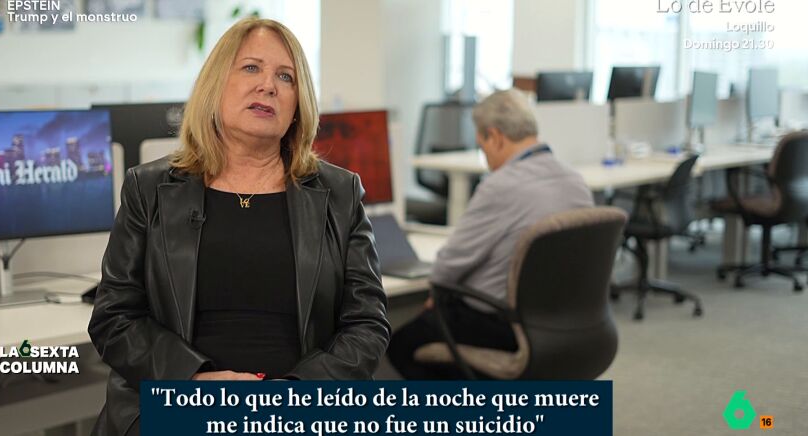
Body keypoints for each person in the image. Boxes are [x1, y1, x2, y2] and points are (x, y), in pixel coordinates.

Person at [88, 18, 390, 435]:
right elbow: (114, 318)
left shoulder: (340, 193)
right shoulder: (150, 189)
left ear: (298, 104)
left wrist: (299, 393)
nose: (268, 86)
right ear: (216, 84)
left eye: (286, 77)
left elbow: (367, 324)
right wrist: (192, 382)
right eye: (251, 68)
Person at [387, 89, 594, 379]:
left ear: (495, 137)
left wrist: (437, 292)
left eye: (482, 146)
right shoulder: (576, 182)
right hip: (567, 323)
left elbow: (452, 262)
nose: (485, 158)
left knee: (399, 344)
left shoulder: (501, 185)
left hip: (502, 325)